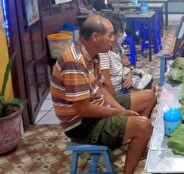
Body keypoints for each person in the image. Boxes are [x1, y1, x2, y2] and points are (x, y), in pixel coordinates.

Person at [50, 15, 151, 174]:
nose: (114, 39)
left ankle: (137, 142)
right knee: (144, 125)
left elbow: (101, 89)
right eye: (110, 35)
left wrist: (122, 111)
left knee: (149, 96)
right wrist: (119, 113)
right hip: (81, 125)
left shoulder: (92, 55)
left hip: (97, 108)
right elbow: (84, 109)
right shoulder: (74, 62)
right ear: (95, 37)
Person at [99, 12, 156, 118]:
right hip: (117, 91)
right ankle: (136, 121)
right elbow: (107, 86)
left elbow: (127, 64)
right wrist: (118, 105)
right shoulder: (103, 52)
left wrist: (128, 74)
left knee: (151, 88)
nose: (124, 34)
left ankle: (137, 120)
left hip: (124, 84)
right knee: (150, 95)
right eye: (121, 30)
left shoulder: (116, 45)